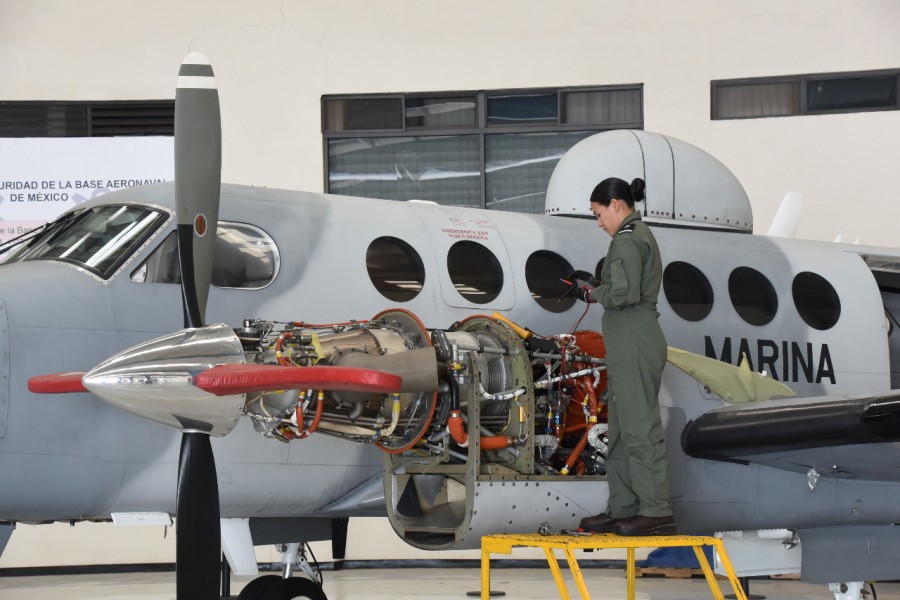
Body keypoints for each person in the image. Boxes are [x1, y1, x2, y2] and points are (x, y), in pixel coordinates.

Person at [573, 176, 674, 536]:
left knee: (638, 427)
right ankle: (624, 507)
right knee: (618, 431)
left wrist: (593, 293)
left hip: (635, 337)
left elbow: (624, 294)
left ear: (616, 205)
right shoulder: (630, 238)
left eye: (599, 214)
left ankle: (656, 509)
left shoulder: (629, 240)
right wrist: (599, 290)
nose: (599, 222)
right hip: (625, 341)